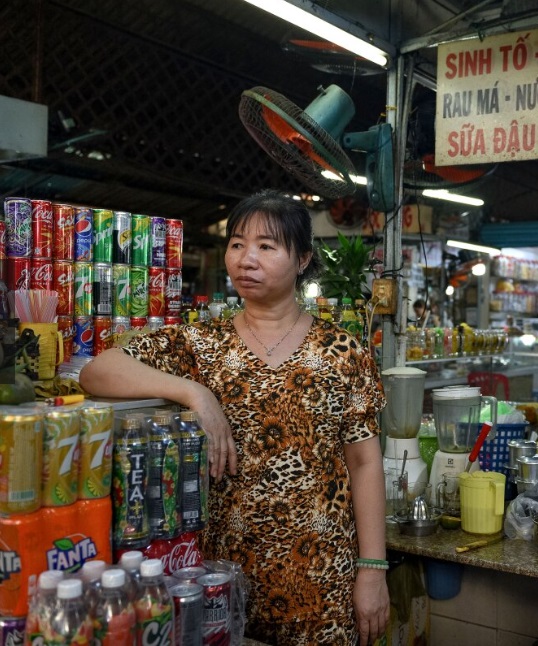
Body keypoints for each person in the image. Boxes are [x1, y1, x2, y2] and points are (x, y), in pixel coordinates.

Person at [79, 189, 390, 645]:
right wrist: (194, 392)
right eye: (238, 243)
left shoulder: (342, 352)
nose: (247, 258)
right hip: (219, 576)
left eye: (267, 246)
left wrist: (373, 570)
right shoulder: (200, 345)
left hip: (321, 575)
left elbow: (365, 464)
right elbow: (95, 371)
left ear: (302, 259)